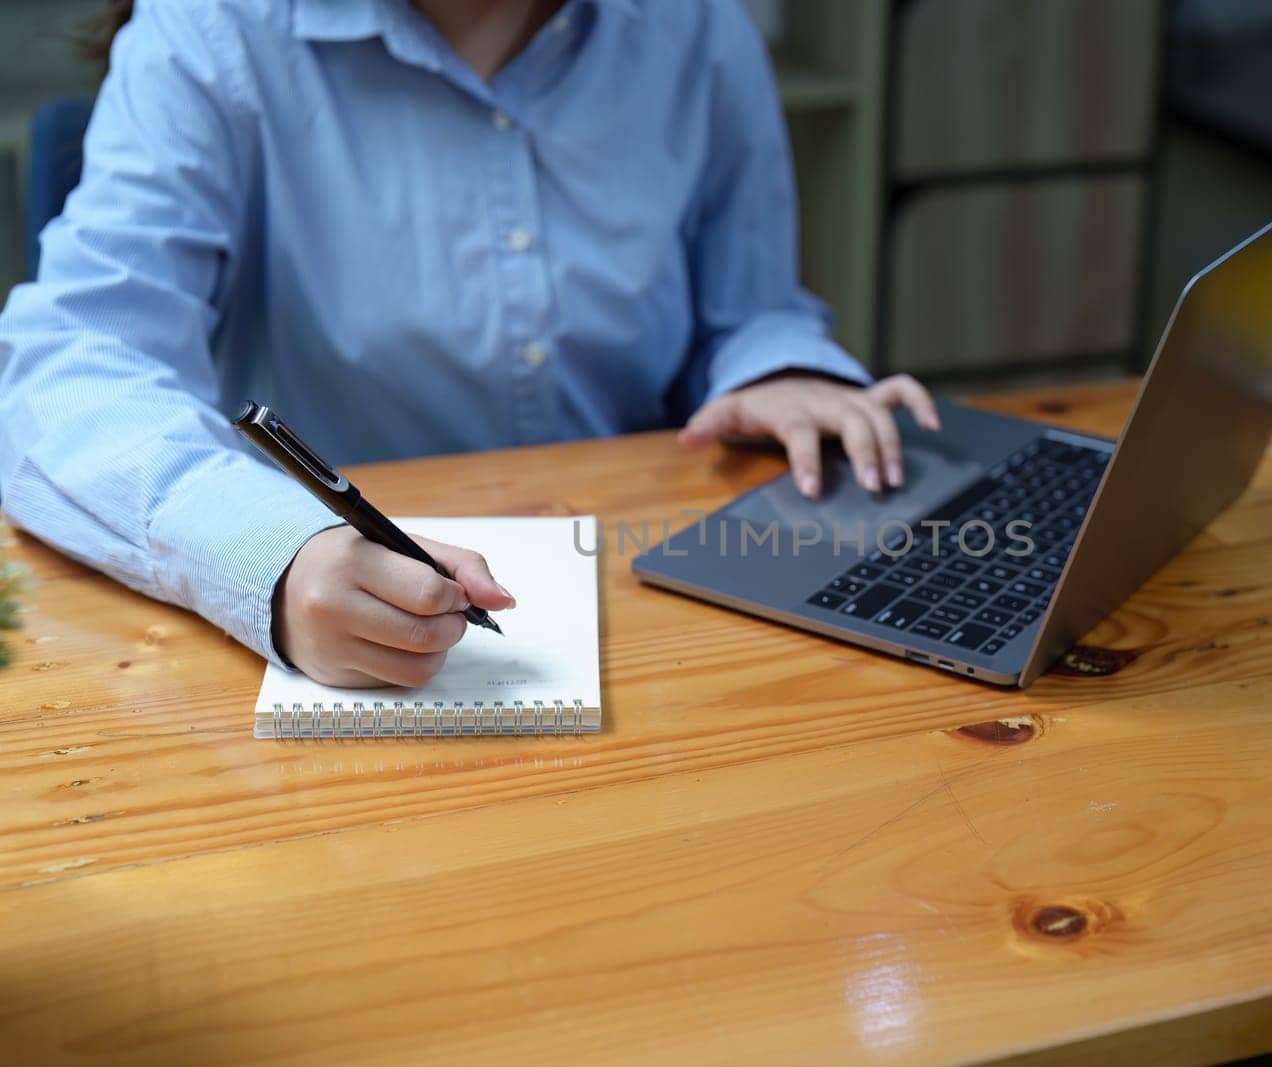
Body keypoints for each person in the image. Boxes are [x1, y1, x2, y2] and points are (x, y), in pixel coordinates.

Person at [0, 0, 939, 688]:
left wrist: (779, 365)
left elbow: (752, 306)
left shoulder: (696, 27)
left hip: (653, 608)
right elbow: (67, 371)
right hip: (349, 612)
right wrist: (270, 554)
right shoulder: (212, 33)